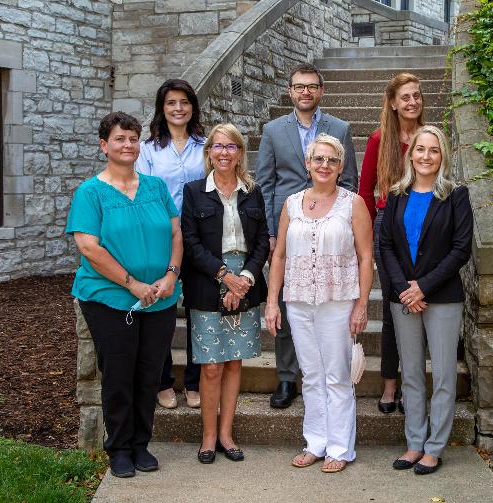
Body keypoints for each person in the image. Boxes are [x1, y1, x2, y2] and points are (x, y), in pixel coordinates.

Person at [67, 112, 182, 478]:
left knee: (149, 373)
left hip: (161, 297)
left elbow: (176, 234)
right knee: (118, 374)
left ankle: (140, 444)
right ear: (104, 145)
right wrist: (132, 284)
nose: (128, 145)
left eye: (133, 139)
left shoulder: (155, 186)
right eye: (120, 139)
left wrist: (170, 275)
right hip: (110, 299)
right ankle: (118, 448)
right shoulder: (91, 192)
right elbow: (89, 247)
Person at [265, 133, 373, 473]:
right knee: (311, 375)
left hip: (337, 300)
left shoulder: (352, 203)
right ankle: (315, 442)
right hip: (298, 300)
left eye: (331, 160)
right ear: (308, 164)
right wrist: (272, 301)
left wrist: (362, 304)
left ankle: (340, 448)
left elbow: (366, 256)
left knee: (337, 376)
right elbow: (279, 255)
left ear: (341, 167)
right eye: (318, 159)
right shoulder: (292, 203)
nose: (324, 165)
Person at [257, 63, 359, 409]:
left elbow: (350, 182)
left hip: (329, 230)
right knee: (289, 301)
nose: (305, 92)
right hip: (291, 229)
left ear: (321, 91)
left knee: (328, 305)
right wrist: (272, 234)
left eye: (312, 86)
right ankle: (287, 377)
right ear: (290, 91)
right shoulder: (273, 130)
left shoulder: (340, 128)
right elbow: (267, 185)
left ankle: (331, 371)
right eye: (299, 86)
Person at [379, 125, 473, 475]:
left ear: (442, 155)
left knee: (445, 374)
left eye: (434, 150)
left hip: (443, 297)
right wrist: (407, 288)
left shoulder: (455, 196)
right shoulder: (396, 194)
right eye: (420, 149)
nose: (426, 156)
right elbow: (385, 245)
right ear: (411, 154)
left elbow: (460, 250)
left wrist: (424, 287)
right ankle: (415, 443)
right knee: (412, 374)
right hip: (403, 296)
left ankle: (435, 447)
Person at [181, 123, 270, 464]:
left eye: (231, 146)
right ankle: (206, 438)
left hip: (245, 282)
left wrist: (243, 278)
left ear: (240, 153)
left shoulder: (253, 192)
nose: (223, 152)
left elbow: (262, 240)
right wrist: (224, 277)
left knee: (234, 362)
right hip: (207, 282)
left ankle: (226, 434)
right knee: (211, 367)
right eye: (217, 146)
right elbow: (190, 241)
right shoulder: (194, 192)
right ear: (208, 153)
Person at [136, 79, 206, 410]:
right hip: (162, 240)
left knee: (198, 311)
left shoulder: (205, 147)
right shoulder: (148, 151)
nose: (178, 108)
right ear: (161, 109)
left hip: (199, 238)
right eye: (171, 103)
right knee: (161, 310)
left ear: (192, 106)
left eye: (184, 102)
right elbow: (144, 194)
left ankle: (194, 381)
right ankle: (163, 381)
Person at [359, 72, 425, 414]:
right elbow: (365, 194)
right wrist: (368, 241)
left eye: (416, 95)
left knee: (421, 300)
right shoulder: (378, 140)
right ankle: (389, 384)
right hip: (388, 227)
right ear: (393, 102)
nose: (412, 102)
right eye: (405, 97)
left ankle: (415, 382)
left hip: (425, 226)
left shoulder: (429, 139)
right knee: (392, 308)